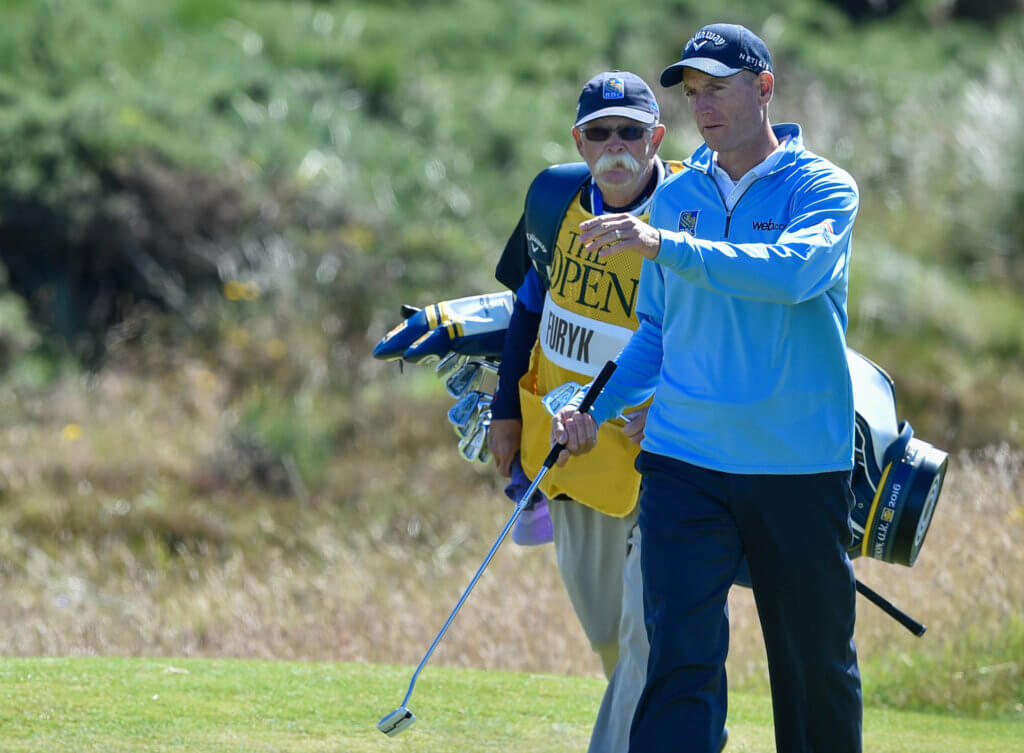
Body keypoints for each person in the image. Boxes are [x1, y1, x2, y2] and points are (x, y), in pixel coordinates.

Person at [552, 24, 863, 753]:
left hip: (795, 465)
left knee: (814, 663)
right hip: (684, 462)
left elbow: (787, 273)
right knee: (678, 659)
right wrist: (591, 403)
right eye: (693, 93)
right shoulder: (679, 194)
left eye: (717, 88)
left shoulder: (822, 188)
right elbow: (657, 331)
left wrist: (665, 243)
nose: (704, 106)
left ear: (763, 88)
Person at [487, 72, 702, 753]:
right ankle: (684, 729)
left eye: (631, 131)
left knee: (647, 631)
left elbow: (721, 332)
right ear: (579, 140)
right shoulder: (553, 199)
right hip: (570, 453)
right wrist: (504, 412)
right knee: (611, 637)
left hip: (666, 454)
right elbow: (528, 305)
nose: (617, 145)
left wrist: (670, 399)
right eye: (601, 132)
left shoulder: (691, 214)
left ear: (656, 138)